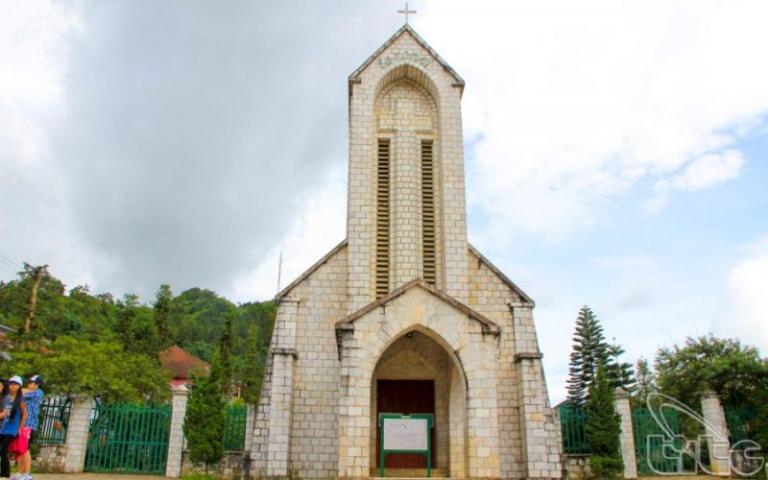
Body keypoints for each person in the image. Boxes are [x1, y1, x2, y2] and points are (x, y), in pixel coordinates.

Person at [0, 376, 26, 479]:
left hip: (11, 430)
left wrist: (19, 428)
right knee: (3, 451)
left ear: (19, 386)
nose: (13, 386)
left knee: (3, 451)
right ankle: (4, 472)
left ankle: (5, 473)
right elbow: (4, 411)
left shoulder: (21, 400)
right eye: (11, 384)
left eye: (15, 384)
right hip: (2, 428)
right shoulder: (6, 398)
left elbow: (24, 415)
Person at [17, 376, 43, 480]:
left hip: (29, 425)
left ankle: (27, 474)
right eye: (30, 382)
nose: (30, 384)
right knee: (19, 450)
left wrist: (22, 390)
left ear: (37, 385)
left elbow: (22, 392)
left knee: (25, 449)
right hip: (21, 424)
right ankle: (20, 473)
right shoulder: (29, 392)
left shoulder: (39, 393)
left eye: (32, 383)